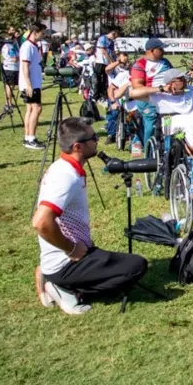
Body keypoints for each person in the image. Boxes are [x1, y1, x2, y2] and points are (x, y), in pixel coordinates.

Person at [32, 117, 148, 315]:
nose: (97, 140)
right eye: (93, 138)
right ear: (77, 146)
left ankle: (52, 274)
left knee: (129, 264)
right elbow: (41, 222)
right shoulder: (65, 177)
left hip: (73, 254)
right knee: (136, 267)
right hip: (66, 261)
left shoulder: (65, 167)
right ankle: (66, 289)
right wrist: (71, 249)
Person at [129, 38, 178, 145]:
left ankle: (167, 150)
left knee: (169, 125)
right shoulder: (140, 64)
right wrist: (159, 89)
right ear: (151, 50)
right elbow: (137, 87)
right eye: (160, 49)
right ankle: (148, 152)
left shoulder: (165, 62)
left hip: (166, 100)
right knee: (151, 126)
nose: (163, 52)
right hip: (147, 101)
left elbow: (174, 77)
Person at [19, 22, 47, 150]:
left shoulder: (33, 46)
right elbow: (25, 66)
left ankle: (27, 137)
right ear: (35, 33)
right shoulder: (28, 46)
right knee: (37, 109)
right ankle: (31, 138)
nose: (43, 35)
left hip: (34, 83)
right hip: (30, 84)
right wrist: (29, 85)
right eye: (42, 33)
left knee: (30, 109)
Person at [105, 52, 132, 142]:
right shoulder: (115, 68)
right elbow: (107, 69)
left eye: (126, 56)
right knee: (114, 114)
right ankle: (111, 134)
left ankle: (127, 133)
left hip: (126, 94)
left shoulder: (127, 69)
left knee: (128, 115)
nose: (125, 58)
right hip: (113, 93)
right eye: (124, 56)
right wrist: (118, 62)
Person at [94, 26, 120, 100]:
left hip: (107, 63)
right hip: (100, 61)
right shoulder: (102, 38)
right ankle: (96, 95)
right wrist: (111, 61)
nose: (114, 39)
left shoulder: (111, 42)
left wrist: (116, 59)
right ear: (113, 34)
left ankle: (104, 94)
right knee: (97, 79)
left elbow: (112, 52)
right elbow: (104, 51)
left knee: (105, 79)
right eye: (115, 37)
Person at [0, 27, 20, 110]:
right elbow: (14, 58)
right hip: (10, 68)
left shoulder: (13, 45)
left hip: (14, 68)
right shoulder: (9, 46)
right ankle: (8, 103)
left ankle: (10, 102)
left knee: (12, 86)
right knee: (9, 86)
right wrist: (20, 57)